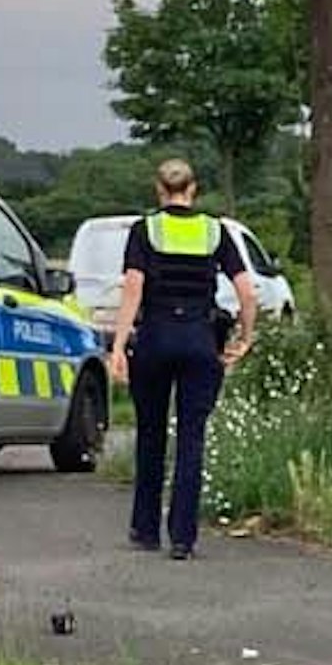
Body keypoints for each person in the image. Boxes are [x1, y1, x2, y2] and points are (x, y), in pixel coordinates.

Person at [107, 159, 257, 560]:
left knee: (150, 434)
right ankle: (183, 539)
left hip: (155, 338)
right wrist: (245, 337)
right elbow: (246, 290)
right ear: (194, 189)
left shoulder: (146, 230)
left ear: (159, 190)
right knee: (192, 439)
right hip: (200, 340)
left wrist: (119, 346)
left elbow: (133, 289)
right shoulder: (215, 230)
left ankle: (144, 530)